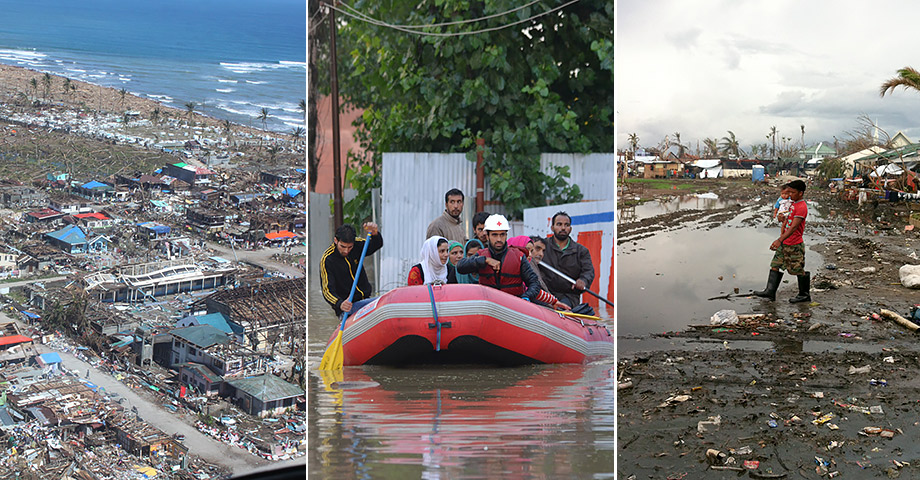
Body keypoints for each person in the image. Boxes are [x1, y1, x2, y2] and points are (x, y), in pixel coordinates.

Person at [458, 214, 548, 305]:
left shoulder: (518, 256)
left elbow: (534, 283)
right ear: (488, 236)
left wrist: (526, 296)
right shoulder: (481, 255)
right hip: (489, 307)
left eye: (502, 235)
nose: (499, 239)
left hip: (514, 307)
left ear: (506, 235)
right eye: (494, 235)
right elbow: (460, 267)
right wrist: (485, 260)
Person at [754, 180, 810, 303]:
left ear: (801, 193)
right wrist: (781, 219)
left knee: (797, 269)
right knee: (775, 265)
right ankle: (770, 292)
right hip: (785, 241)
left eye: (793, 192)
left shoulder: (801, 207)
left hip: (794, 243)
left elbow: (794, 227)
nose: (790, 195)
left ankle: (804, 294)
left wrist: (779, 240)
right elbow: (787, 220)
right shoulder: (793, 204)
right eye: (788, 192)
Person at [320, 222, 383, 317]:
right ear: (336, 240)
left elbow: (375, 245)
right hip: (348, 307)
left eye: (350, 247)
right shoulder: (328, 259)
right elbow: (327, 291)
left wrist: (375, 234)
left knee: (383, 302)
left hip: (365, 300)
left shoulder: (357, 244)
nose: (346, 251)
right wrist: (340, 303)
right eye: (343, 247)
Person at [539, 211, 596, 308]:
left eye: (567, 225)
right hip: (546, 293)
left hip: (569, 296)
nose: (563, 228)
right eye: (559, 224)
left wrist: (583, 280)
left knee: (562, 308)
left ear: (570, 229)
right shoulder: (542, 247)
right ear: (552, 228)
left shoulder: (581, 251)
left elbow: (588, 271)